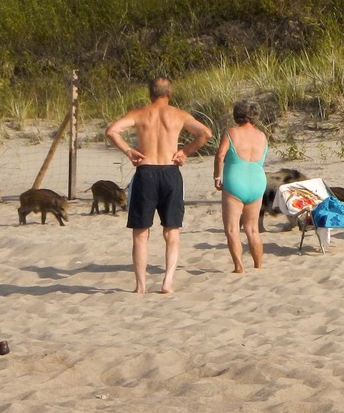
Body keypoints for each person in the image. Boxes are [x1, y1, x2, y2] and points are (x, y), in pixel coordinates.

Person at [106, 77, 212, 294]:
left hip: (146, 172)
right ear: (170, 95)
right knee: (172, 230)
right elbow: (206, 134)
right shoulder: (178, 114)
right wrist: (185, 151)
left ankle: (141, 285)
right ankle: (167, 281)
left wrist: (128, 151)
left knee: (140, 233)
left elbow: (112, 131)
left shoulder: (139, 113)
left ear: (150, 94)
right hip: (170, 172)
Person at [213, 101, 268, 273]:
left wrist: (216, 176)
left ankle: (239, 266)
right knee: (253, 229)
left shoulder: (231, 133)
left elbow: (220, 154)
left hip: (236, 181)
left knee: (232, 229)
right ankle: (258, 265)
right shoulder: (262, 136)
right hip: (257, 181)